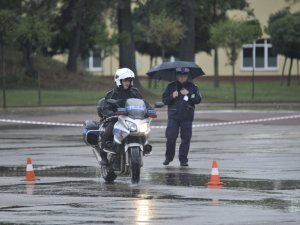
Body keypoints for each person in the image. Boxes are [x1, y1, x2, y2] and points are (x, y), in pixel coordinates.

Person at [97, 68, 150, 165]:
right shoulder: (111, 94)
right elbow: (105, 106)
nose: (127, 83)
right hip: (116, 119)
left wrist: (150, 110)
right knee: (108, 131)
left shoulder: (135, 92)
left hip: (132, 119)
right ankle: (103, 156)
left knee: (144, 129)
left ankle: (145, 146)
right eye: (125, 80)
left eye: (129, 81)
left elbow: (144, 103)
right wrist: (110, 113)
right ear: (119, 81)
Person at [162, 67, 202, 166]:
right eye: (180, 76)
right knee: (170, 137)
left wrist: (189, 94)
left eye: (184, 76)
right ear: (176, 76)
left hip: (187, 116)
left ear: (187, 76)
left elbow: (198, 99)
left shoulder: (192, 87)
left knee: (186, 139)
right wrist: (172, 96)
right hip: (173, 117)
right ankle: (168, 157)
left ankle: (183, 159)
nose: (182, 78)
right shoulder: (171, 87)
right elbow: (164, 100)